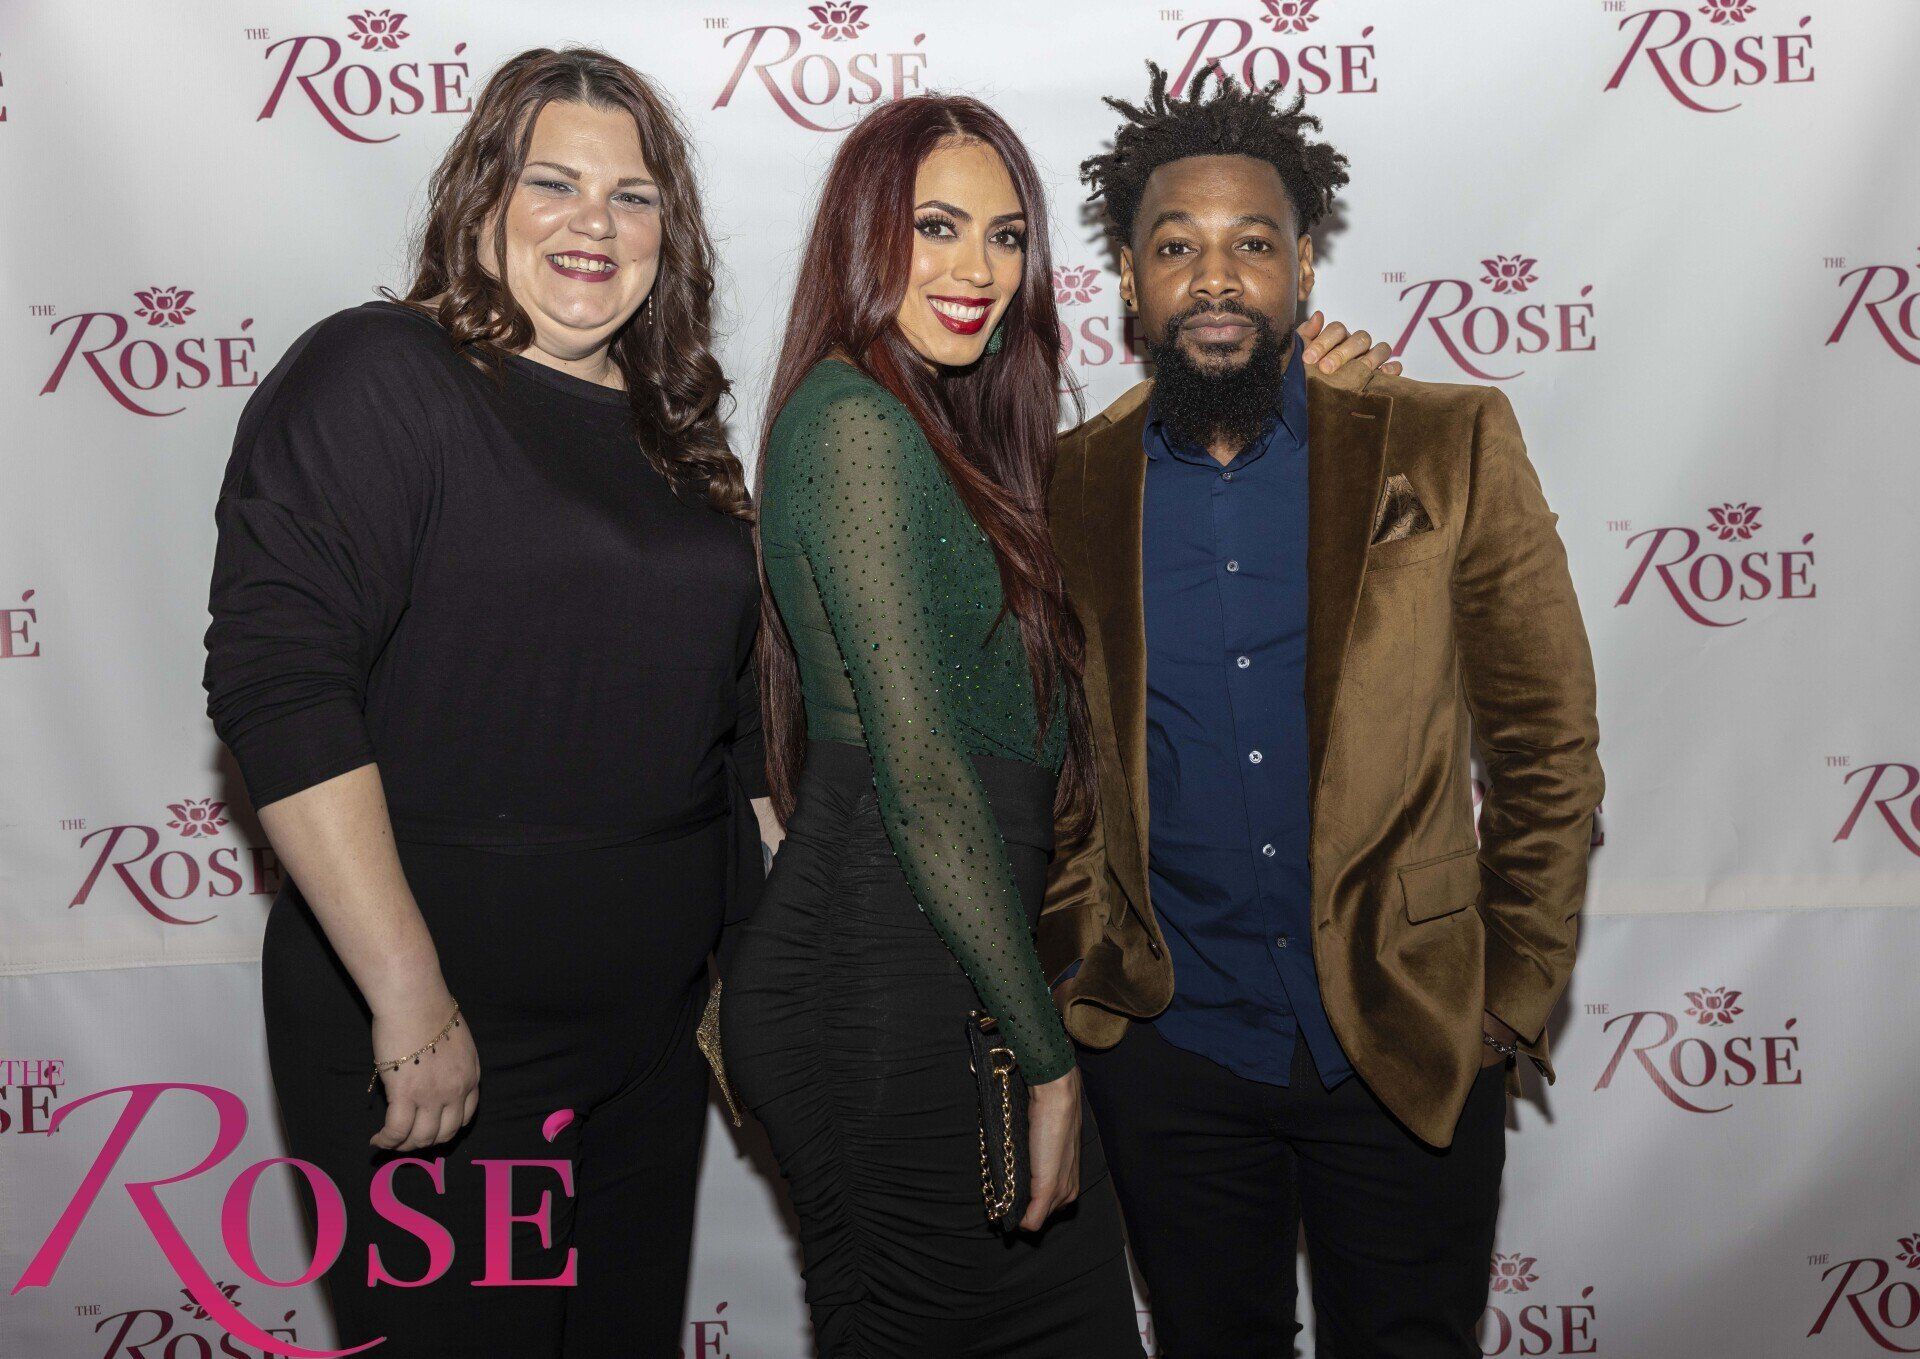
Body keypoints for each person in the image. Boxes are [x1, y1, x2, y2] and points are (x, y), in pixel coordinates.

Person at [201, 48, 771, 1357]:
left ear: (669, 235)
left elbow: (732, 736)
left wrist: (764, 973)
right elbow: (280, 687)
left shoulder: (673, 431)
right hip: (445, 1038)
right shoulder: (379, 373)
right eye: (552, 182)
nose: (594, 222)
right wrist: (408, 1003)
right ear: (480, 199)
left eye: (634, 197)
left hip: (650, 1044)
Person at [1041, 65, 1605, 1357]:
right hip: (1170, 1049)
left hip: (1407, 1036)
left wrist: (1509, 988)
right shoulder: (1069, 483)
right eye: (1176, 247)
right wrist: (1078, 959)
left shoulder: (1443, 439)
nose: (1217, 278)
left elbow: (1547, 739)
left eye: (1254, 244)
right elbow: (1062, 764)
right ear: (1127, 280)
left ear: (1303, 267)